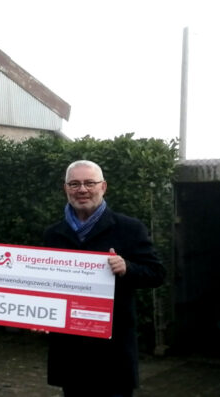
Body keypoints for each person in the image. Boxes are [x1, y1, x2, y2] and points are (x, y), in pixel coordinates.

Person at [43, 160, 166, 397]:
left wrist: (127, 267)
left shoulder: (129, 228)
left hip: (112, 352)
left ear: (103, 187)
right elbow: (49, 285)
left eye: (90, 183)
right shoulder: (54, 234)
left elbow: (157, 274)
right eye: (75, 184)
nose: (82, 190)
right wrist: (40, 312)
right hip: (71, 352)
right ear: (65, 188)